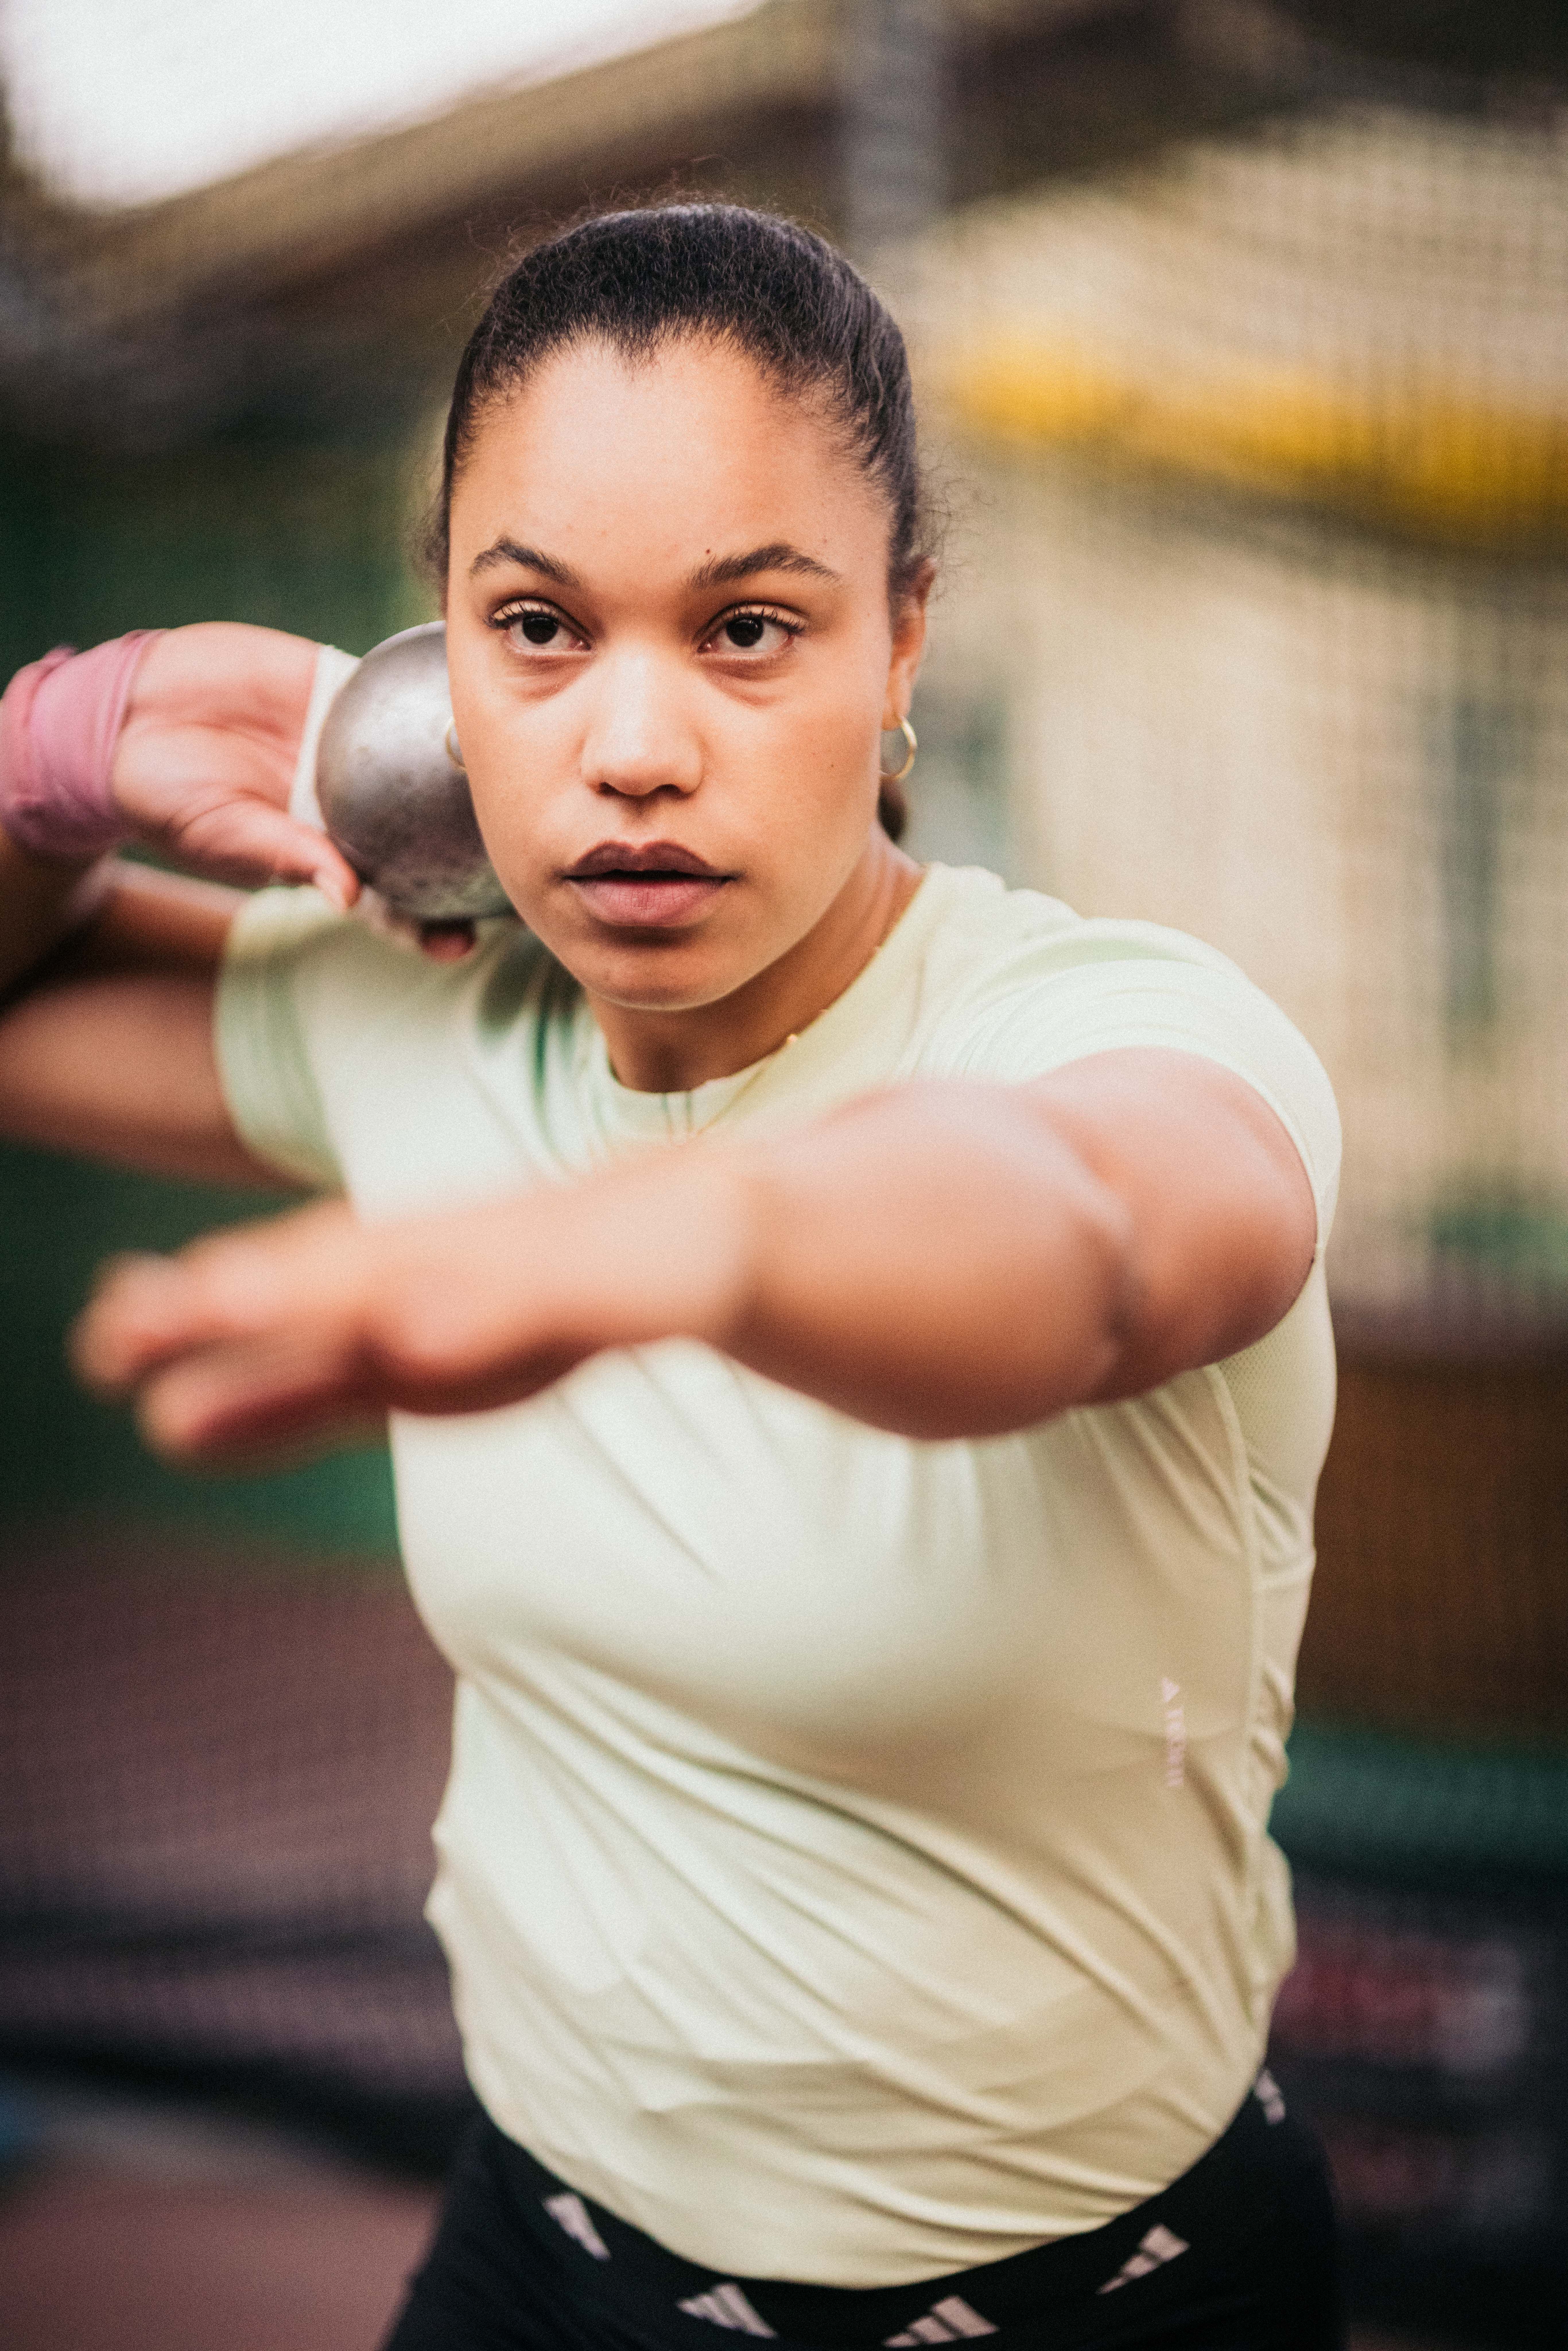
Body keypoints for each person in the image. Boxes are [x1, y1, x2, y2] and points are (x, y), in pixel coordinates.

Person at [0, 205, 1343, 2348]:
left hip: (1094, 2299)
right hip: (549, 2252)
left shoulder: (1110, 1028)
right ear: (429, 665)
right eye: (537, 629)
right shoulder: (417, 1015)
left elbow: (1094, 1241)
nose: (632, 746)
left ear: (902, 644)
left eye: (745, 631)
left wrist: (651, 1241)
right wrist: (65, 743)